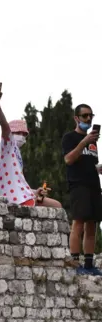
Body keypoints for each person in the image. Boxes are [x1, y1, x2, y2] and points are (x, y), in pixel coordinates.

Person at [0, 88, 61, 208]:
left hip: (20, 195)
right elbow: (4, 126)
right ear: (11, 133)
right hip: (12, 199)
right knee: (56, 206)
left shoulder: (16, 154)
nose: (22, 136)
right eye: (18, 132)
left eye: (24, 134)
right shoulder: (7, 145)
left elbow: (17, 185)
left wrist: (35, 192)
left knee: (55, 205)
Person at [62, 104, 102, 276]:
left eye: (90, 116)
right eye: (85, 116)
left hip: (94, 184)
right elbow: (68, 159)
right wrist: (83, 142)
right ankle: (74, 262)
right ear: (76, 118)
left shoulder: (93, 142)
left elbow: (89, 162)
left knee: (92, 225)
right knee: (78, 223)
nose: (88, 119)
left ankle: (88, 263)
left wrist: (98, 169)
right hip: (78, 185)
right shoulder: (69, 137)